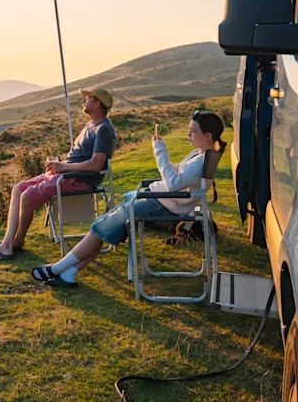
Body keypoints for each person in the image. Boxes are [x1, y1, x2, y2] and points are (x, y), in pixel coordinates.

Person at [29, 110, 227, 287]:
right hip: (160, 199)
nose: (188, 135)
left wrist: (160, 151)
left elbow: (174, 183)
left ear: (208, 135)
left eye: (193, 131)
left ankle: (55, 269)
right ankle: (69, 274)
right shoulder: (201, 154)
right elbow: (179, 176)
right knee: (107, 226)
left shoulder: (201, 160)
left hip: (163, 204)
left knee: (99, 227)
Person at [0, 88, 117, 263]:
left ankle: (12, 244)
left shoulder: (103, 129)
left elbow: (96, 165)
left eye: (87, 99)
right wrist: (61, 166)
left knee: (27, 196)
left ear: (97, 104)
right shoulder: (91, 124)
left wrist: (64, 166)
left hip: (77, 179)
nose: (83, 101)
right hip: (67, 174)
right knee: (18, 189)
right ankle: (10, 242)